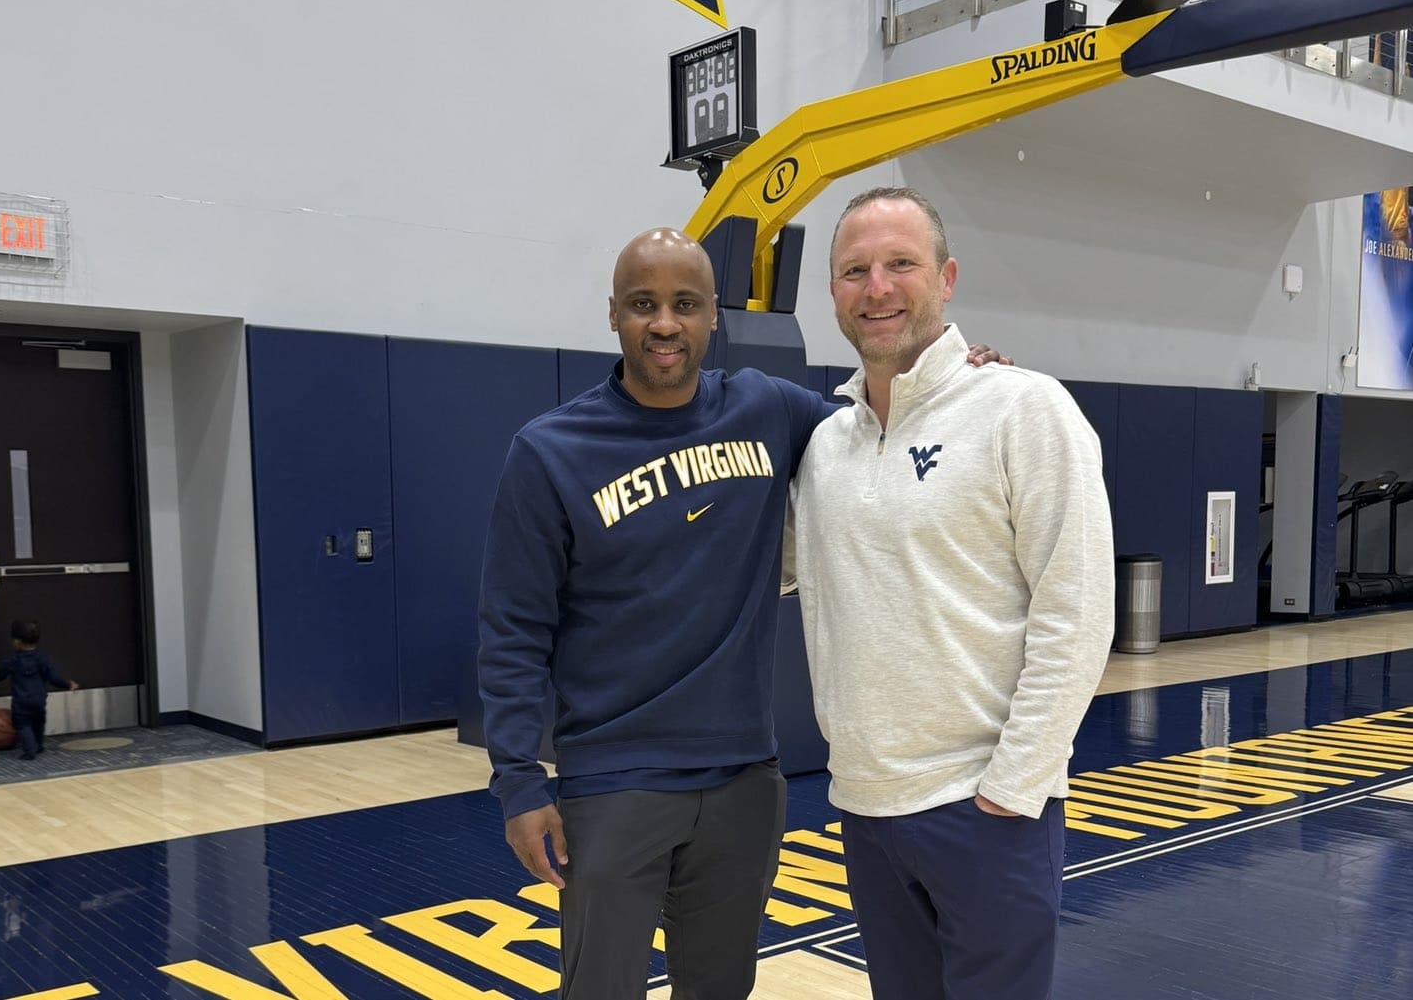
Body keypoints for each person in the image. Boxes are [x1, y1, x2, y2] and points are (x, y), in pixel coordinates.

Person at [477, 226, 1007, 1000]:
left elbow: (877, 424)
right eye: (643, 304)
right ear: (613, 314)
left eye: (685, 304)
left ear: (713, 317)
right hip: (614, 781)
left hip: (744, 784)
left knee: (721, 989)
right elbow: (512, 631)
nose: (664, 323)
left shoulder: (765, 408)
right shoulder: (549, 450)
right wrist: (519, 783)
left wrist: (957, 380)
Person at [787, 187, 1114, 1000]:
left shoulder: (1022, 408)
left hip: (984, 808)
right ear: (832, 293)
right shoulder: (824, 444)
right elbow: (770, 571)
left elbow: (1076, 613)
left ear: (948, 276)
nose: (878, 287)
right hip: (866, 804)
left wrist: (1013, 786)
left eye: (902, 263)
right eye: (854, 270)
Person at [0, 619, 77, 759]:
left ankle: (29, 750)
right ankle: (38, 745)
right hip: (39, 699)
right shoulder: (43, 658)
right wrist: (67, 684)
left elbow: (0, 673)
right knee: (38, 722)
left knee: (22, 724)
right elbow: (53, 677)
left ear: (17, 642)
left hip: (21, 701)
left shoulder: (12, 660)